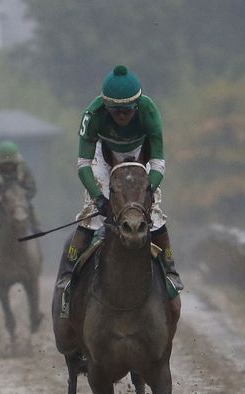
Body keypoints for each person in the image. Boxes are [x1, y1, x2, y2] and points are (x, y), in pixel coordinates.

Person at [58, 64, 181, 292]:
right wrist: (98, 198)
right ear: (106, 107)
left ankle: (170, 269)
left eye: (127, 109)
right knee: (91, 216)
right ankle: (68, 270)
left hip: (140, 154)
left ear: (137, 105)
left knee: (153, 213)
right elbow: (83, 165)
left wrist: (147, 191)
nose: (122, 115)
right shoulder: (93, 115)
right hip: (103, 155)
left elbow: (158, 164)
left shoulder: (150, 112)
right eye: (115, 111)